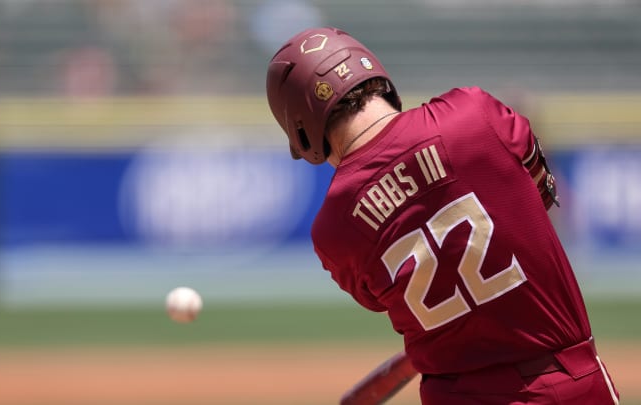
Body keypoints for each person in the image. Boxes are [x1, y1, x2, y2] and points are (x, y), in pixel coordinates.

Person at [266, 27, 620, 404]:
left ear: (303, 129)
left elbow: (387, 300)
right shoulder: (474, 112)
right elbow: (538, 194)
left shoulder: (333, 230)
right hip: (570, 383)